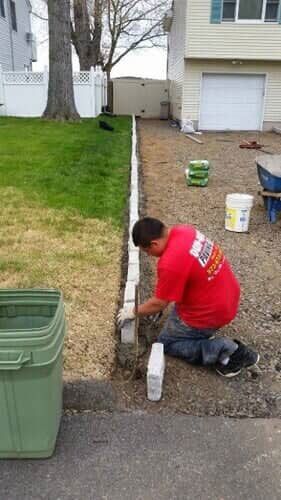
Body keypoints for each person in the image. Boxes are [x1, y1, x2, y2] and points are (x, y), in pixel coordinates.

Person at [117, 217, 259, 377]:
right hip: (227, 296)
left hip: (211, 313)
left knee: (166, 344)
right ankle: (202, 334)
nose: (149, 255)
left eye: (147, 251)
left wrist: (133, 312)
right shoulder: (185, 231)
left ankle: (229, 352)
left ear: (154, 244)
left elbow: (159, 303)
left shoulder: (170, 262)